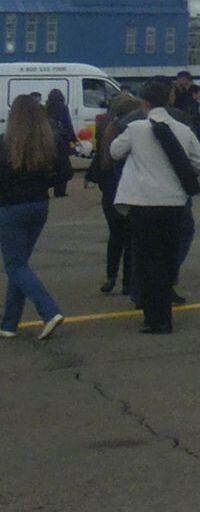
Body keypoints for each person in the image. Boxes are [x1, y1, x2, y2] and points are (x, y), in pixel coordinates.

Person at [111, 79, 200, 335]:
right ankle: (165, 315)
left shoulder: (136, 128)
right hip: (174, 203)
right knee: (166, 260)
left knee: (146, 262)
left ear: (145, 103)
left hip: (144, 203)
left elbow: (114, 152)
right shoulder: (182, 129)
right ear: (170, 100)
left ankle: (155, 317)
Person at [1, 93, 73, 340]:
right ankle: (9, 323)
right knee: (20, 265)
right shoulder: (48, 143)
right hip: (39, 204)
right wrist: (47, 182)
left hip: (10, 207)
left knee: (15, 265)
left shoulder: (4, 144)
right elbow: (66, 172)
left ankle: (48, 310)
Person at [88, 93, 144, 292]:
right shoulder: (132, 133)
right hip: (128, 191)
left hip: (110, 192)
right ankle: (128, 281)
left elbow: (100, 166)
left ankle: (111, 276)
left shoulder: (107, 131)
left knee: (115, 237)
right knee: (131, 240)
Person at [172, 71, 200, 194]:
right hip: (187, 129)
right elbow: (191, 117)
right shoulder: (181, 95)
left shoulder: (184, 94)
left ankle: (198, 185)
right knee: (196, 158)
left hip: (188, 128)